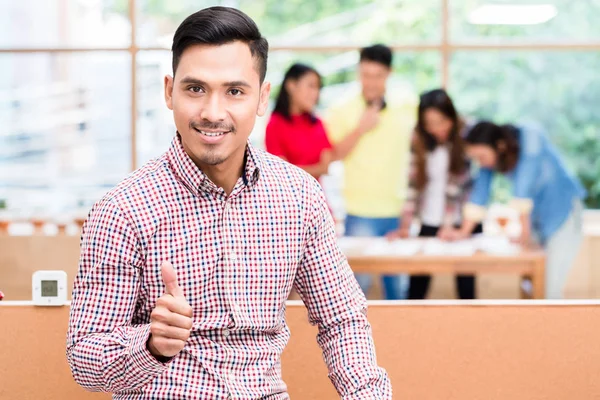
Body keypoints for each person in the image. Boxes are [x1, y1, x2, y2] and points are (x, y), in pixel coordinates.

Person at [66, 7, 391, 399]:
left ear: (262, 97)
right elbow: (84, 360)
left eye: (234, 91)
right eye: (195, 89)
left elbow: (342, 319)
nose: (213, 113)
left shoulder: (299, 196)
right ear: (169, 91)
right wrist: (150, 345)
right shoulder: (122, 210)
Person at [453, 121, 586, 299]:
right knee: (530, 286)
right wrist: (463, 232)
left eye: (482, 156)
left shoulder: (531, 136)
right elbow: (480, 192)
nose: (481, 162)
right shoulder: (491, 159)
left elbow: (524, 186)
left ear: (500, 146)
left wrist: (525, 234)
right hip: (538, 221)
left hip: (564, 214)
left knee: (549, 290)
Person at [325, 44, 415, 300]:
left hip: (396, 212)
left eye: (377, 76)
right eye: (365, 75)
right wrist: (360, 128)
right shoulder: (342, 108)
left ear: (389, 73)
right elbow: (333, 156)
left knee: (397, 293)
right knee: (356, 291)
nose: (370, 83)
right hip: (359, 211)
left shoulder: (407, 104)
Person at [387, 89, 481, 299]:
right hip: (429, 221)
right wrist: (405, 226)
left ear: (452, 116)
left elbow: (457, 187)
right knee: (416, 291)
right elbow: (413, 184)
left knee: (466, 292)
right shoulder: (418, 138)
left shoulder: (467, 133)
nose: (436, 128)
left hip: (459, 222)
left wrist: (449, 224)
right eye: (429, 123)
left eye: (441, 121)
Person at [265, 63, 333, 180]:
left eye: (318, 87)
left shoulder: (317, 122)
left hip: (317, 196)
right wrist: (315, 169)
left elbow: (325, 167)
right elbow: (280, 171)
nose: (316, 93)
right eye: (311, 86)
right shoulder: (275, 124)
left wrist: (294, 169)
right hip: (288, 196)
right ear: (291, 86)